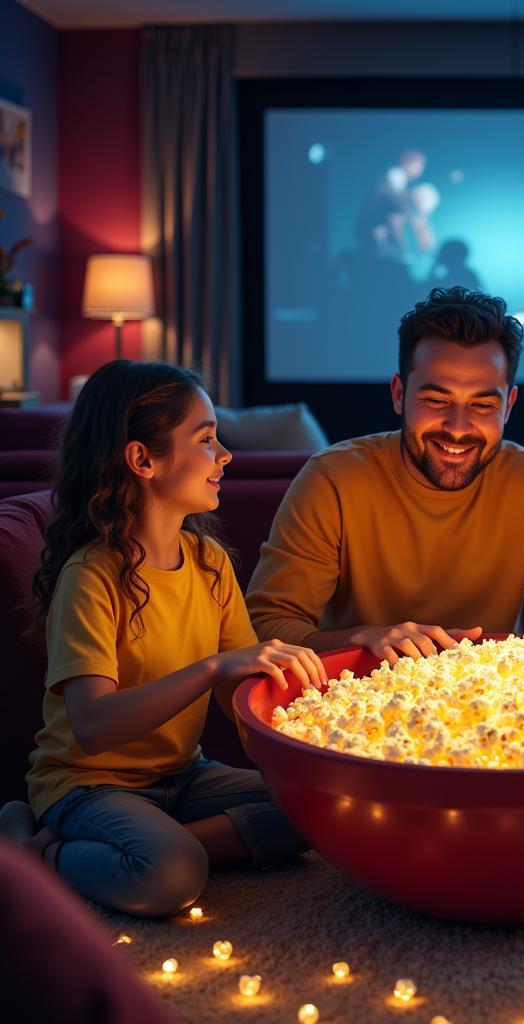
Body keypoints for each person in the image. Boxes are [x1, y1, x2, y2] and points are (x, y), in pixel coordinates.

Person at [0, 361, 324, 917]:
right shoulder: (92, 575)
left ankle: (152, 837)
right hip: (87, 783)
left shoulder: (210, 562)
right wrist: (211, 669)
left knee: (315, 809)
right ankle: (37, 851)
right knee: (174, 877)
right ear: (142, 459)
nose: (225, 455)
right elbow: (95, 726)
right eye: (205, 439)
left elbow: (239, 695)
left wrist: (311, 733)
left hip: (182, 775)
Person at [246, 286, 524, 665]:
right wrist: (362, 639)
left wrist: (522, 659)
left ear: (508, 406)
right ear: (399, 394)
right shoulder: (334, 479)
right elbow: (268, 625)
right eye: (436, 401)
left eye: (483, 405)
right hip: (357, 700)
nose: (457, 427)